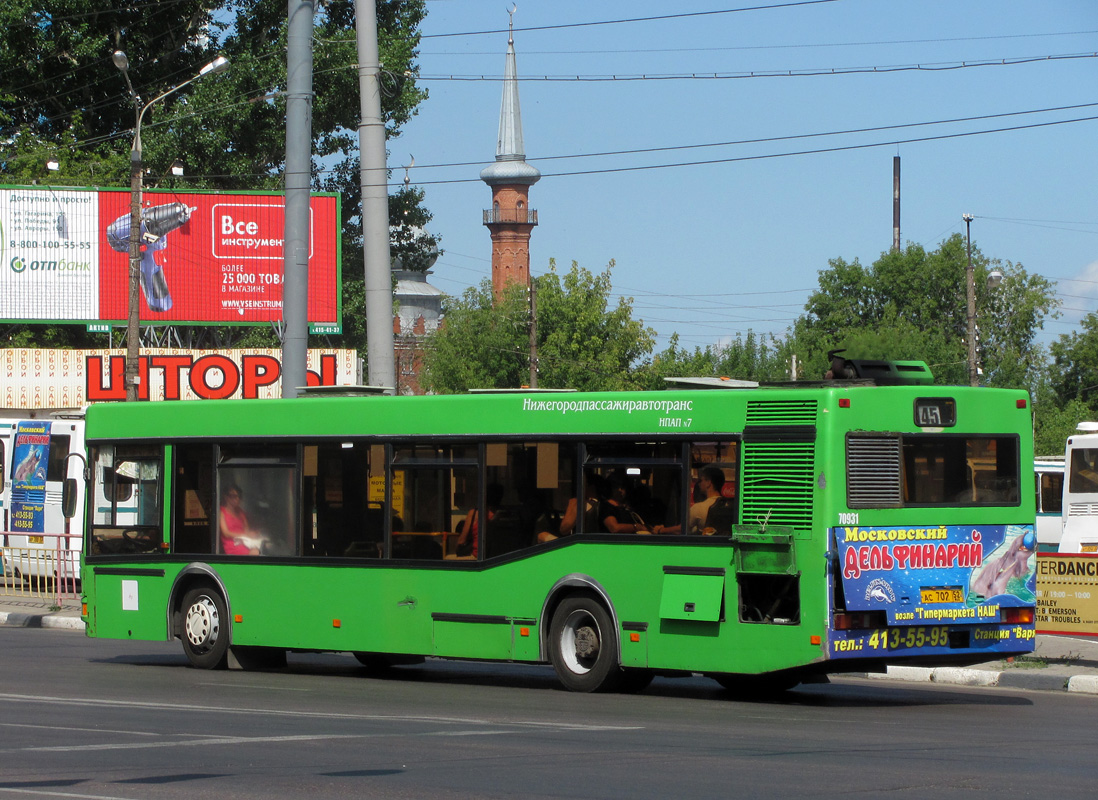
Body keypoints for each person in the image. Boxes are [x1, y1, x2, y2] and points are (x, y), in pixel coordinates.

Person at [455, 483, 504, 558]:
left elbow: (462, 541)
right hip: (499, 557)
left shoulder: (474, 514)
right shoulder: (504, 515)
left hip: (477, 556)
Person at [219, 483, 264, 555]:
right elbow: (226, 533)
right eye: (233, 496)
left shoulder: (240, 511)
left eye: (239, 496)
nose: (237, 499)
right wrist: (246, 534)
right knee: (256, 552)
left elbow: (246, 528)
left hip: (245, 542)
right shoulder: (221, 512)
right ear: (226, 497)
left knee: (265, 547)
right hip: (233, 545)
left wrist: (252, 534)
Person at [687, 467, 726, 534]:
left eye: (701, 481)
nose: (698, 484)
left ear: (708, 483)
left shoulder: (698, 508)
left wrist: (663, 530)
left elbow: (682, 529)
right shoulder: (727, 505)